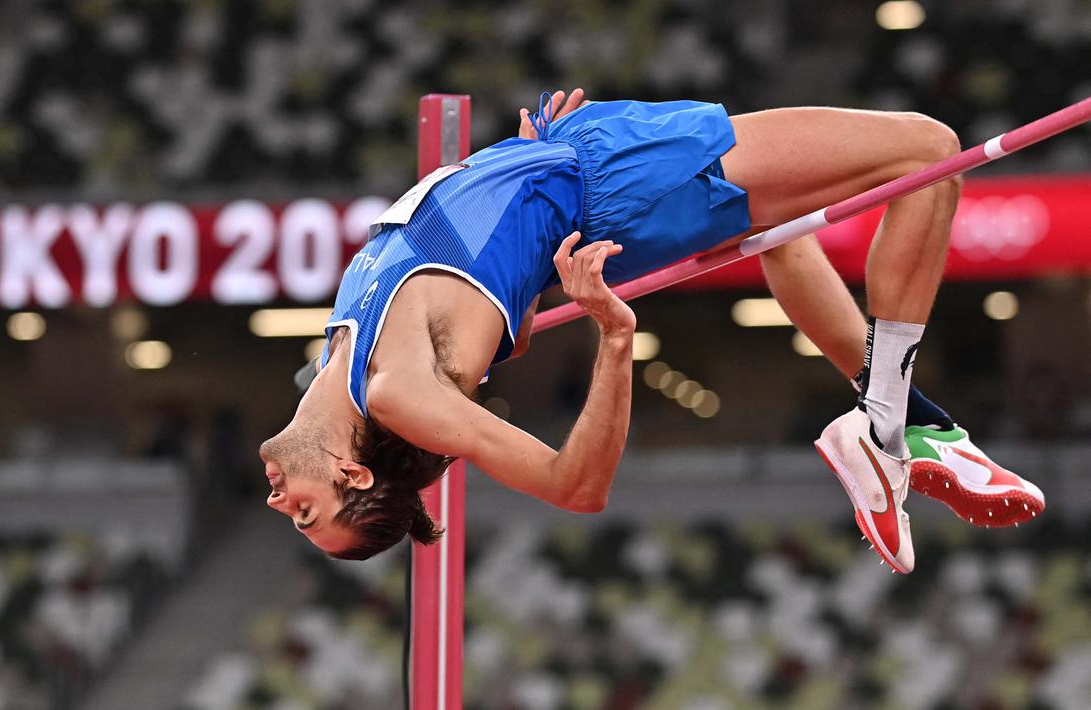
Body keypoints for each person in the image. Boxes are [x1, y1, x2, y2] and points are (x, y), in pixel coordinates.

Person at [261, 89, 1044, 570]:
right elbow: (575, 487)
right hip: (616, 182)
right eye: (305, 512)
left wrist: (520, 165)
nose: (277, 503)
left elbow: (502, 319)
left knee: (779, 230)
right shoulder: (398, 392)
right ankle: (883, 425)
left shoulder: (340, 354)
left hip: (574, 157)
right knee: (928, 151)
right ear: (351, 474)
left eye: (296, 518)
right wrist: (611, 335)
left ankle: (916, 428)